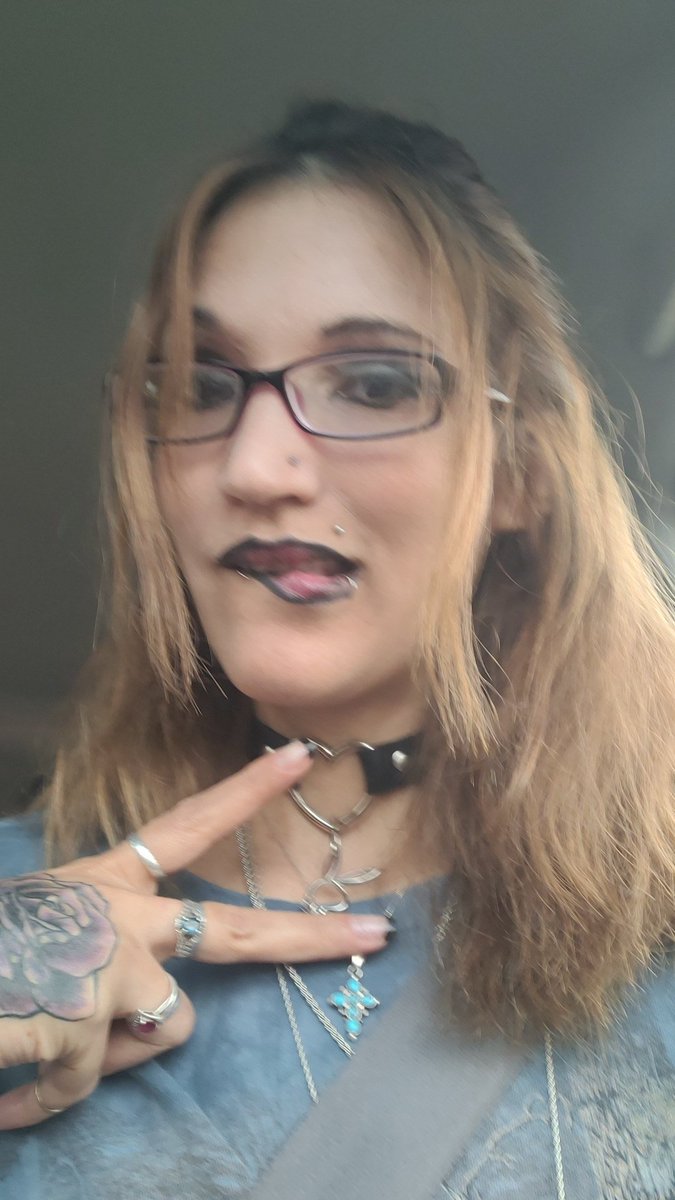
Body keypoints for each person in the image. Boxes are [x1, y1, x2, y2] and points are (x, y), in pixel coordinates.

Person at [0, 100, 673, 1200]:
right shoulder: (19, 918)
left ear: (520, 473)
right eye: (202, 386)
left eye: (375, 383)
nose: (255, 466)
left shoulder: (659, 908)